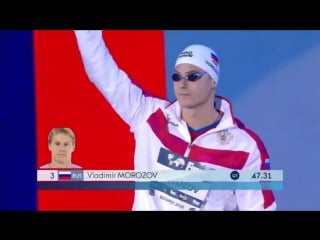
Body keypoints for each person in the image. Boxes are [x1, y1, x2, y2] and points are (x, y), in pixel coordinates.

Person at [74, 30, 276, 211]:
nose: (182, 84)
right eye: (176, 76)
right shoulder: (149, 114)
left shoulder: (246, 148)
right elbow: (101, 72)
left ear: (213, 81)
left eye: (193, 76)